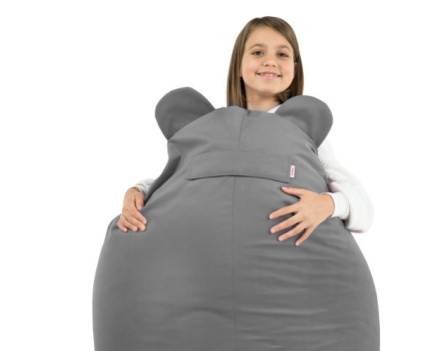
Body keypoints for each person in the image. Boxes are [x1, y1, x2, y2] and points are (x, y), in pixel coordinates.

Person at [117, 17, 374, 246]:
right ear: (239, 66)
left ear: (295, 69)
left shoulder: (302, 134)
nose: (270, 61)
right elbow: (179, 180)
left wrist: (328, 204)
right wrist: (137, 191)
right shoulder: (209, 129)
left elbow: (363, 207)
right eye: (258, 52)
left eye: (282, 54)